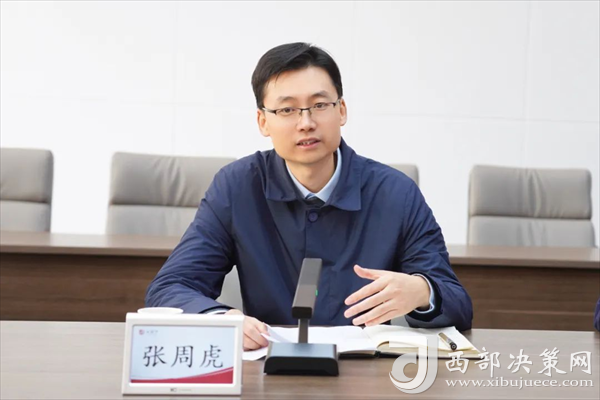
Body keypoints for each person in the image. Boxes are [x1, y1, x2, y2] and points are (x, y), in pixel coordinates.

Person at [146, 42, 473, 350]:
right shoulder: (237, 187)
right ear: (263, 121)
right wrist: (220, 318)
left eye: (319, 105)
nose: (306, 122)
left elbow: (458, 304)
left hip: (363, 375)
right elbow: (170, 288)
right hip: (269, 367)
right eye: (287, 109)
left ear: (341, 110)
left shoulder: (395, 193)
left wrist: (422, 291)